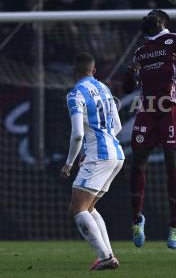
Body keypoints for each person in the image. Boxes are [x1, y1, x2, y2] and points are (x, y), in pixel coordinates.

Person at [123, 9, 176, 249]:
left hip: (171, 107)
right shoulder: (140, 51)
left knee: (173, 162)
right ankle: (137, 219)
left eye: (148, 15)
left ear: (160, 20)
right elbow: (127, 87)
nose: (143, 18)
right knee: (137, 162)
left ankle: (175, 226)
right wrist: (130, 72)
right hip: (147, 109)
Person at [60, 52, 124, 270]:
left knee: (77, 209)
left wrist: (69, 163)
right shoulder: (105, 89)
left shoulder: (75, 94)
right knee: (89, 207)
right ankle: (107, 255)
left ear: (73, 71)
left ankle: (105, 257)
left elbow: (77, 133)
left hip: (99, 155)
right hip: (116, 154)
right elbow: (118, 126)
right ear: (93, 70)